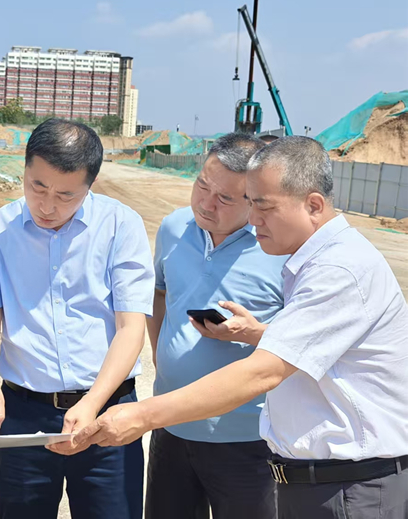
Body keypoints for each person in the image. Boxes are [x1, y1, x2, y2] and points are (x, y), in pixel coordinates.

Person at [75, 136, 408, 519]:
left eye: (262, 206)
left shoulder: (338, 270)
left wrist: (140, 416)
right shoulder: (309, 262)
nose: (252, 220)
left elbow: (262, 372)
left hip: (349, 487)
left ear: (314, 205)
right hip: (319, 480)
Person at [0, 118, 154, 519]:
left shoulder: (120, 226)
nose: (47, 206)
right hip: (24, 415)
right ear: (25, 169)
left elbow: (130, 328)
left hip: (107, 412)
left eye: (66, 195)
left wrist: (93, 402)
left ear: (90, 184)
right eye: (37, 187)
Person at [147, 133, 286, 519]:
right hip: (170, 425)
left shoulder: (279, 249)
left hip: (246, 441)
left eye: (224, 198)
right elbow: (160, 294)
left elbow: (308, 342)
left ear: (254, 201)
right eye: (202, 186)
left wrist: (252, 333)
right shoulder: (174, 228)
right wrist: (161, 357)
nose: (206, 204)